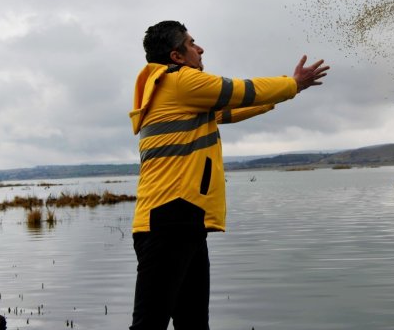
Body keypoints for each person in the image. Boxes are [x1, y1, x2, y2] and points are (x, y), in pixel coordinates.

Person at [128, 20, 329, 330]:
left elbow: (228, 110)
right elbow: (239, 90)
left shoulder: (179, 94)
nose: (200, 48)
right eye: (192, 43)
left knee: (194, 324)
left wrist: (278, 97)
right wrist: (292, 84)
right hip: (166, 219)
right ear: (177, 56)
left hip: (187, 219)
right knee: (148, 325)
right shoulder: (180, 82)